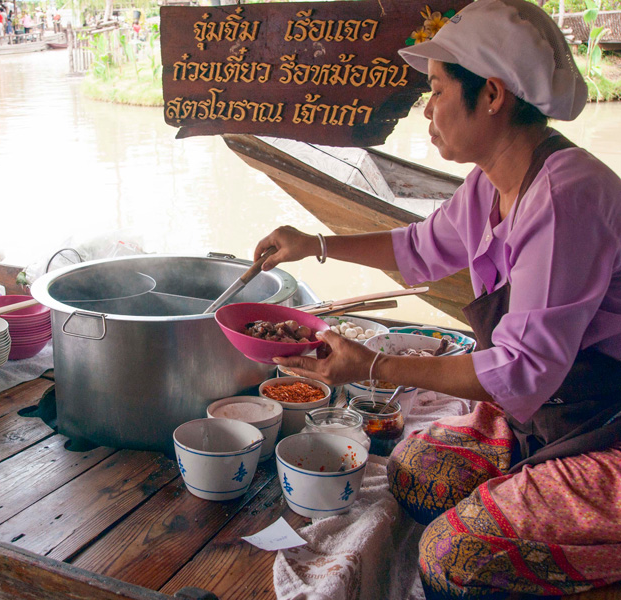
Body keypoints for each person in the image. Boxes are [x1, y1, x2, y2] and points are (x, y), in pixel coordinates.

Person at [254, 0, 621, 597]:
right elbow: (422, 249)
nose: (429, 109)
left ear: (493, 95)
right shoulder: (490, 182)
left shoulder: (563, 195)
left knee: (454, 558)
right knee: (418, 474)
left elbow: (523, 371)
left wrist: (371, 365)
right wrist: (313, 243)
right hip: (558, 411)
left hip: (605, 423)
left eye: (439, 88)